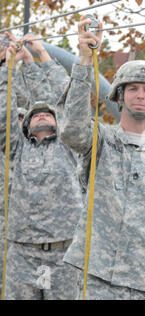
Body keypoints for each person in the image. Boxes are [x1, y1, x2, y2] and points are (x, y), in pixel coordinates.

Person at [57, 15, 145, 300]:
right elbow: (72, 130)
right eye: (132, 88)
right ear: (119, 96)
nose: (140, 95)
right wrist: (84, 60)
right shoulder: (101, 140)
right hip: (97, 277)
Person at [0, 40, 83, 300]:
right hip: (22, 253)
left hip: (65, 253)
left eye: (49, 113)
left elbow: (68, 98)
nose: (42, 115)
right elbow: (5, 110)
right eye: (35, 115)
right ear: (25, 127)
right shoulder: (17, 149)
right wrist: (7, 67)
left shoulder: (70, 145)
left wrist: (40, 57)